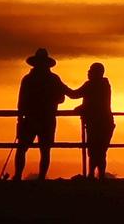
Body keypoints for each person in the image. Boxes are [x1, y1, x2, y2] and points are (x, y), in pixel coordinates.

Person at [14, 48, 69, 181]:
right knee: (45, 150)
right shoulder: (54, 79)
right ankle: (41, 178)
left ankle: (18, 176)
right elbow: (63, 98)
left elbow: (21, 102)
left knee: (22, 148)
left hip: (30, 119)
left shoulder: (28, 79)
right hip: (47, 119)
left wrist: (20, 119)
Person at [66, 63, 115, 180]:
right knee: (101, 151)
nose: (88, 72)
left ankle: (92, 175)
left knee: (94, 151)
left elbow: (75, 95)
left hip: (96, 124)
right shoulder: (105, 85)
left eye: (91, 71)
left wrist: (61, 88)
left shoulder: (91, 85)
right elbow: (93, 102)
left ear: (97, 73)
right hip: (106, 123)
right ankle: (99, 176)